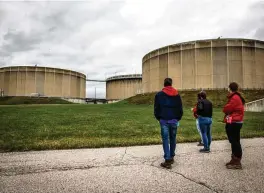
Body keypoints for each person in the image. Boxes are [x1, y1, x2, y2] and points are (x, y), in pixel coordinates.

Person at [154, 78, 183, 169]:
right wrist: (178, 118)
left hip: (164, 120)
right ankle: (172, 156)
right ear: (171, 84)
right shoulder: (177, 95)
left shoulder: (159, 95)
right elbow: (180, 108)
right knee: (173, 138)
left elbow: (156, 108)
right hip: (174, 120)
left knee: (165, 139)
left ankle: (167, 159)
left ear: (164, 84)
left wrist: (158, 117)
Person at [223, 82, 245, 169]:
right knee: (234, 140)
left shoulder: (234, 97)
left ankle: (237, 161)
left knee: (235, 141)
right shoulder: (236, 97)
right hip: (235, 121)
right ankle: (234, 158)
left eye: (228, 88)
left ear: (230, 88)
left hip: (234, 122)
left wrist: (225, 109)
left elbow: (227, 109)